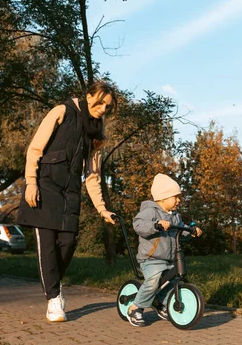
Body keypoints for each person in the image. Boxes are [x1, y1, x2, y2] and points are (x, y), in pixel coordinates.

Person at [16, 81, 117, 322]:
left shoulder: (96, 131)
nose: (103, 109)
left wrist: (102, 209)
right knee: (48, 246)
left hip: (70, 192)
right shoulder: (61, 111)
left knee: (69, 243)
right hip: (44, 187)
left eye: (108, 107)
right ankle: (53, 299)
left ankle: (53, 285)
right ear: (89, 95)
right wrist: (31, 182)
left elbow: (93, 175)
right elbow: (35, 149)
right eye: (101, 102)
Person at [127, 173, 202, 327]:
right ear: (162, 198)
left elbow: (181, 230)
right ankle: (135, 307)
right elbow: (138, 225)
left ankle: (160, 302)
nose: (179, 200)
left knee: (172, 280)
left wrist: (191, 231)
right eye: (175, 197)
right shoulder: (150, 211)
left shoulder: (175, 216)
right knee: (154, 280)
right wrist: (156, 225)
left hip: (168, 258)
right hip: (151, 258)